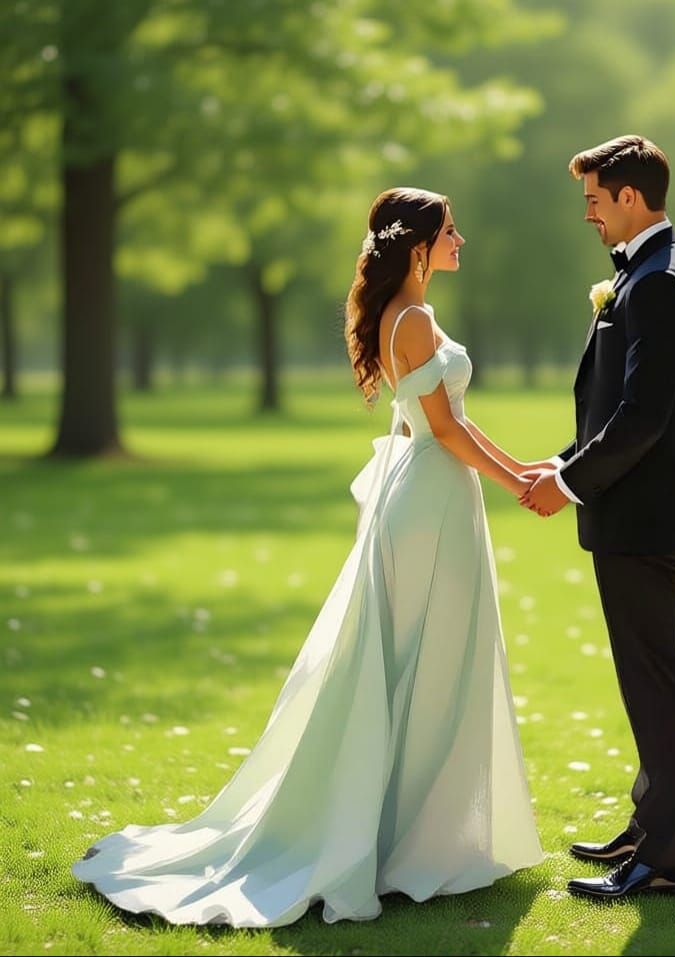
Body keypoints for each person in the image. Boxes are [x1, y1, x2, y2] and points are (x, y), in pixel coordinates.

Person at [72, 187, 545, 927]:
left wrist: (522, 467)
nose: (462, 240)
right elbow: (446, 431)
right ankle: (403, 841)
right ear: (418, 245)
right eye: (451, 230)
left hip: (430, 495)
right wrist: (519, 479)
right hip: (428, 502)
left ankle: (414, 833)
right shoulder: (413, 317)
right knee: (423, 660)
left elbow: (455, 423)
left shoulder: (411, 312)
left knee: (429, 659)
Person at [520, 135, 675, 900]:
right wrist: (562, 461)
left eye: (594, 201)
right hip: (642, 513)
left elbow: (641, 419)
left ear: (630, 197)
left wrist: (568, 485)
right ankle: (657, 828)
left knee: (656, 682)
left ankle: (663, 861)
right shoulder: (654, 272)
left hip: (644, 518)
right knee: (653, 680)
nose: (589, 216)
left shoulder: (660, 282)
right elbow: (615, 407)